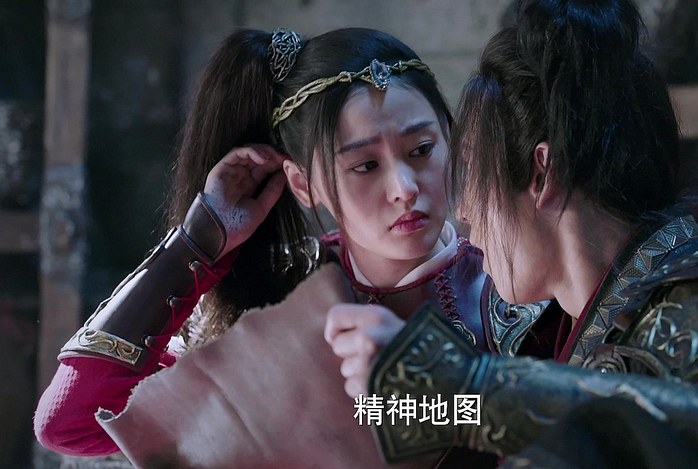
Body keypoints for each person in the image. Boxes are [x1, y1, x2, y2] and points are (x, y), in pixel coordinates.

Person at [324, 1, 698, 468]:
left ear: (542, 174)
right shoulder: (546, 339)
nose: (466, 211)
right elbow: (469, 411)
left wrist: (465, 383)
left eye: (477, 176)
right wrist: (388, 399)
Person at [34, 26, 545, 465]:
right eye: (366, 165)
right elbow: (69, 425)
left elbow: (569, 427)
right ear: (303, 184)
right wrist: (197, 245)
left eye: (422, 149)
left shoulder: (513, 290)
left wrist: (411, 400)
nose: (405, 188)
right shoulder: (270, 302)